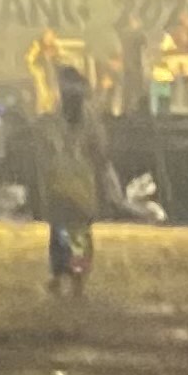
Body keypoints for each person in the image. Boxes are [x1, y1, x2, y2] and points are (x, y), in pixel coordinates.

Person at [35, 69, 109, 296]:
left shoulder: (86, 122)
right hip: (62, 183)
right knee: (63, 232)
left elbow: (100, 153)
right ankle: (63, 276)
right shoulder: (54, 121)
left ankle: (75, 279)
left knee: (74, 233)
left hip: (77, 185)